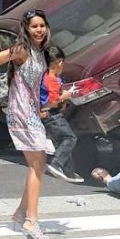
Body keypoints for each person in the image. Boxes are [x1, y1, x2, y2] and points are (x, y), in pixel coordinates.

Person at [0, 9, 54, 239]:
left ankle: (21, 214)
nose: (39, 30)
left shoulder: (41, 52)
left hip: (31, 111)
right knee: (37, 164)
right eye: (34, 26)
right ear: (26, 29)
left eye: (42, 25)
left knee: (38, 166)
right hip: (21, 112)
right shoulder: (22, 50)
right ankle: (31, 221)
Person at [40, 45, 84, 183]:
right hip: (52, 115)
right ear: (59, 62)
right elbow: (53, 101)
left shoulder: (46, 76)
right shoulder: (51, 79)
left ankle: (69, 171)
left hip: (49, 115)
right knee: (70, 138)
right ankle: (56, 163)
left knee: (63, 141)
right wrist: (65, 95)